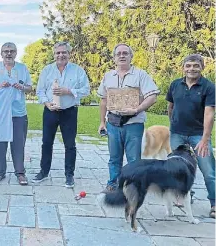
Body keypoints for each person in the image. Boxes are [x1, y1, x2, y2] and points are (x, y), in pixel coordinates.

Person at [97, 43, 159, 192]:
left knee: (133, 159)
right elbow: (103, 100)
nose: (122, 56)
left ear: (131, 56)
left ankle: (133, 186)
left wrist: (137, 109)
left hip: (133, 123)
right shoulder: (108, 76)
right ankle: (113, 184)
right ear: (114, 58)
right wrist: (102, 122)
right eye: (118, 54)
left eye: (125, 53)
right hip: (112, 123)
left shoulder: (141, 75)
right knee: (114, 158)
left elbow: (153, 96)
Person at [33, 41, 90, 188]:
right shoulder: (47, 70)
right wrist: (47, 103)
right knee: (46, 143)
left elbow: (86, 90)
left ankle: (69, 175)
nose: (61, 55)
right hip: (50, 111)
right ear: (54, 54)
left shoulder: (78, 71)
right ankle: (44, 172)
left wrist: (69, 91)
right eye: (58, 52)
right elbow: (40, 90)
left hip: (69, 112)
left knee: (70, 145)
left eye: (64, 52)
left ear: (69, 54)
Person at [166, 53, 215, 218]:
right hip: (177, 134)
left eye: (195, 65)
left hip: (198, 135)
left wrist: (205, 139)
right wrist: (173, 125)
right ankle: (185, 195)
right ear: (183, 68)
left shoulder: (208, 87)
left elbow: (209, 115)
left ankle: (214, 203)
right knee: (179, 168)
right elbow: (170, 107)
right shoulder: (175, 85)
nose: (191, 69)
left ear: (202, 67)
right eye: (188, 66)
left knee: (208, 170)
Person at [0, 42, 33, 185]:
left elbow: (30, 87)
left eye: (12, 51)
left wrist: (22, 87)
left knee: (18, 144)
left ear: (16, 53)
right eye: (6, 51)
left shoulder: (22, 68)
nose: (9, 53)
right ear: (1, 53)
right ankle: (0, 172)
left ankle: (20, 173)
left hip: (18, 113)